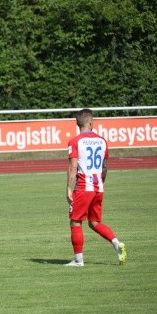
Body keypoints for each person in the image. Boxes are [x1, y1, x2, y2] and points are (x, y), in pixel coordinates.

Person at [65, 108, 127, 267]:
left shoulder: (75, 141)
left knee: (75, 222)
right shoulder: (102, 141)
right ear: (91, 123)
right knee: (94, 222)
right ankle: (116, 243)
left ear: (77, 124)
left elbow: (73, 168)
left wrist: (69, 189)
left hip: (84, 187)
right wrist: (101, 183)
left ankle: (78, 260)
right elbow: (105, 167)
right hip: (98, 186)